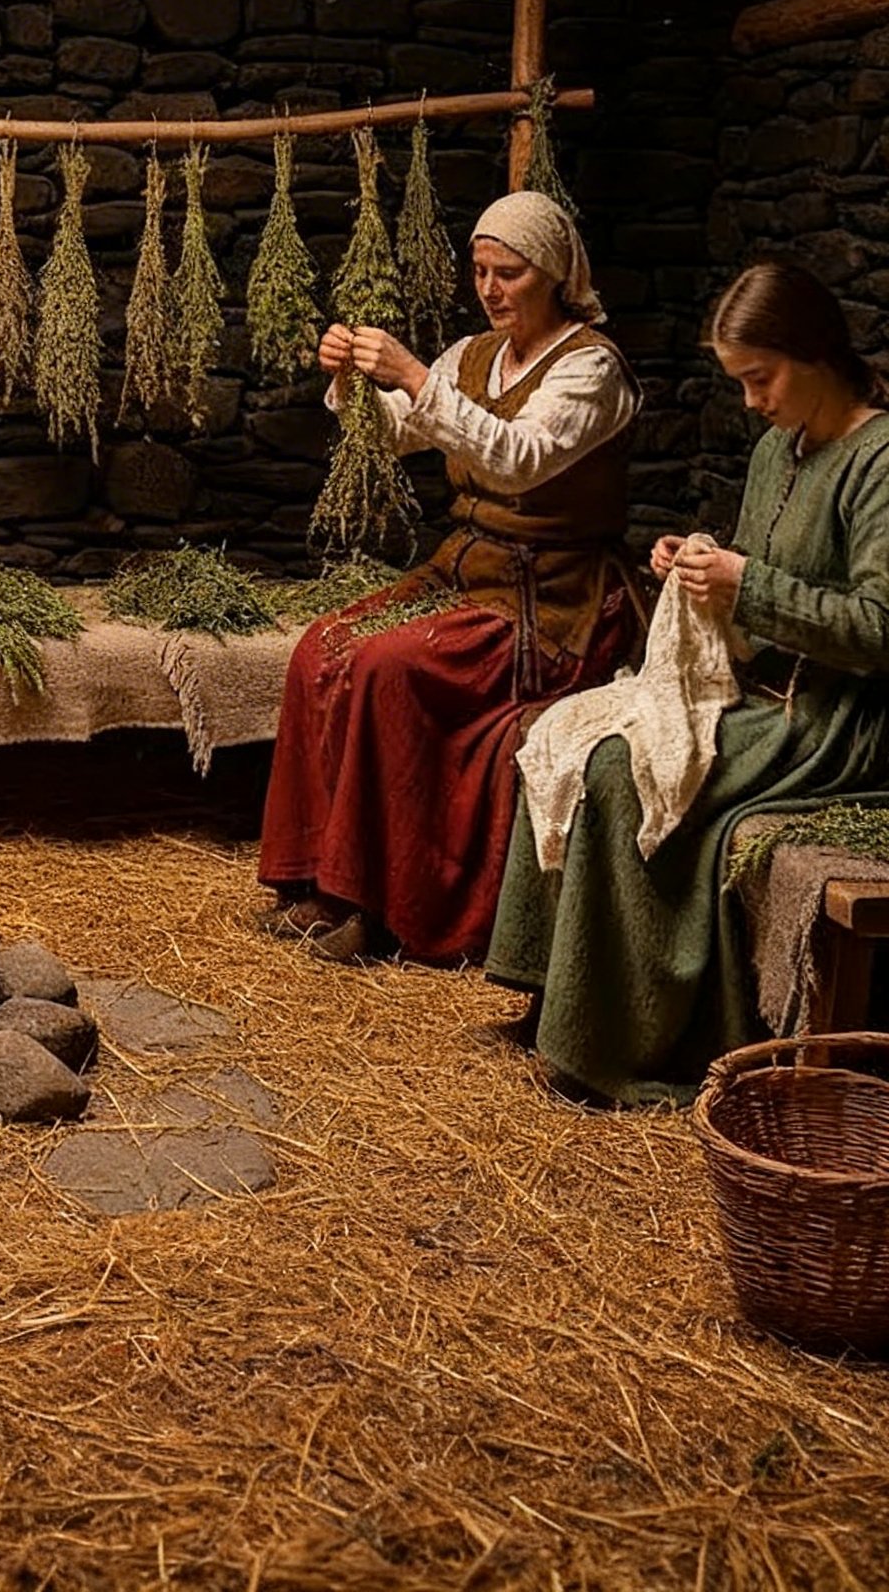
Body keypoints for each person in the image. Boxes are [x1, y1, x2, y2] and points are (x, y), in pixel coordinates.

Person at [486, 260, 889, 1104]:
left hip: (827, 721)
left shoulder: (878, 461)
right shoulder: (783, 450)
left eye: (760, 378)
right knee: (569, 731)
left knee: (625, 774)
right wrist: (698, 565)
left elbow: (877, 628)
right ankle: (560, 995)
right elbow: (760, 574)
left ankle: (622, 1042)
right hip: (756, 689)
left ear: (815, 354)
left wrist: (749, 586)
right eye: (740, 382)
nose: (751, 401)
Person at [260, 189, 643, 964]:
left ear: (556, 275)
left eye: (510, 273)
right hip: (464, 574)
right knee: (324, 646)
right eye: (480, 271)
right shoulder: (472, 355)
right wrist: (356, 383)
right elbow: (399, 434)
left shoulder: (591, 370)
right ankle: (314, 880)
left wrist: (409, 372)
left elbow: (518, 458)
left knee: (384, 667)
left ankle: (377, 903)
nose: (491, 289)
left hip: (550, 596)